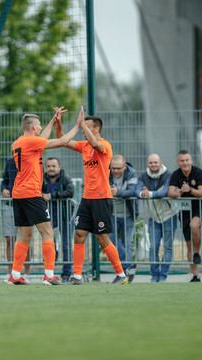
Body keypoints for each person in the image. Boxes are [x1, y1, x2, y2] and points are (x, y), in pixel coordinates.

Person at [8, 106, 81, 285]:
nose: (40, 128)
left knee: (25, 235)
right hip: (32, 194)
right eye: (39, 125)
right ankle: (49, 275)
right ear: (33, 128)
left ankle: (15, 275)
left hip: (19, 193)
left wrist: (52, 121)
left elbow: (42, 139)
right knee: (48, 233)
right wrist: (79, 125)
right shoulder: (31, 142)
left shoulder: (19, 142)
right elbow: (63, 140)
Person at [59, 111, 128, 285]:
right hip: (87, 199)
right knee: (79, 234)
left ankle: (121, 275)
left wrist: (82, 124)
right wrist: (58, 123)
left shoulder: (104, 145)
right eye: (83, 127)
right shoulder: (84, 146)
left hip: (102, 198)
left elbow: (96, 144)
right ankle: (77, 276)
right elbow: (62, 139)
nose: (84, 131)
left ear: (96, 129)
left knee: (102, 238)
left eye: (87, 127)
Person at [168, 150, 202, 282]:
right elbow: (170, 193)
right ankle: (195, 275)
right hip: (184, 209)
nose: (185, 163)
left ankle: (197, 253)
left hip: (200, 207)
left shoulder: (199, 173)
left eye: (187, 160)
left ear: (191, 160)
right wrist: (179, 192)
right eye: (182, 160)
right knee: (188, 244)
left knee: (194, 224)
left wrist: (190, 190)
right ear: (178, 162)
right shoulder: (175, 174)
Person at [135, 154, 178, 283]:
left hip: (169, 216)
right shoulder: (143, 177)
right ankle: (154, 275)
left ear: (160, 163)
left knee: (168, 247)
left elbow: (165, 192)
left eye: (155, 162)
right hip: (153, 217)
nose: (153, 165)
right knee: (153, 247)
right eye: (151, 162)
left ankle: (163, 276)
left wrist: (149, 194)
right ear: (148, 164)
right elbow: (136, 190)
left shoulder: (168, 176)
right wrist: (141, 193)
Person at [42, 156, 75, 283]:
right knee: (50, 245)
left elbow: (70, 192)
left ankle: (66, 273)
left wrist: (51, 196)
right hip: (47, 216)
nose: (51, 169)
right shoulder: (42, 179)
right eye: (48, 166)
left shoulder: (65, 178)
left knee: (66, 245)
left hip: (65, 215)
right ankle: (50, 273)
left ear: (59, 167)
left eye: (53, 166)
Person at [108, 154, 138, 282]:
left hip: (128, 214)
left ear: (125, 167)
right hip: (112, 214)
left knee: (128, 243)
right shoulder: (107, 173)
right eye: (113, 168)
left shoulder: (132, 173)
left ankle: (126, 272)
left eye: (118, 168)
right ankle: (128, 267)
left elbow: (131, 191)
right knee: (111, 240)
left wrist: (117, 193)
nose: (115, 171)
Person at [1, 157, 31, 282]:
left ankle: (27, 273)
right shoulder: (9, 162)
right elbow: (4, 180)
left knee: (25, 239)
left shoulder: (30, 160)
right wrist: (3, 189)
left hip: (26, 203)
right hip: (10, 204)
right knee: (9, 238)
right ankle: (11, 273)